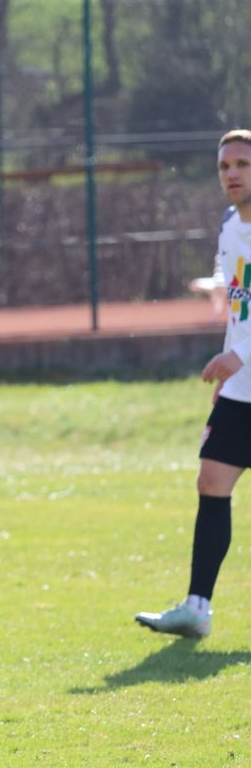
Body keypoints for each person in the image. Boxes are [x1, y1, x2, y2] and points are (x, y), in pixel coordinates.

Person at [136, 129, 251, 638]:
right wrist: (232, 371)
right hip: (241, 389)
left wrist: (237, 356)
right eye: (225, 166)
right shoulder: (229, 226)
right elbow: (240, 307)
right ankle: (197, 609)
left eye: (243, 164)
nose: (232, 174)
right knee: (211, 481)